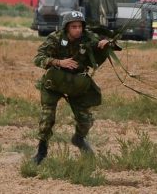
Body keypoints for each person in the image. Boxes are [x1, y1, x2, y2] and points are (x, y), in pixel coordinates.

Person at [31, 10, 118, 164]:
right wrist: (59, 62)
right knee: (47, 119)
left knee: (86, 121)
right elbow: (38, 58)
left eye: (80, 26)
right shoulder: (55, 38)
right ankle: (41, 152)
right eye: (74, 27)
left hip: (76, 84)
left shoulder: (88, 37)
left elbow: (109, 43)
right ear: (66, 28)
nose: (78, 30)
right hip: (55, 82)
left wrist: (106, 44)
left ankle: (78, 139)